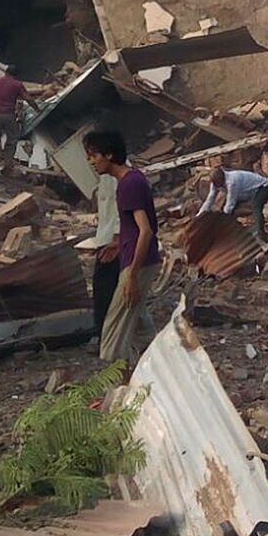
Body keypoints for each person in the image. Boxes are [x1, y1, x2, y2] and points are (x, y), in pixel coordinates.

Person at [87, 129, 159, 364]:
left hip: (138, 262)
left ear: (109, 155)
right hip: (135, 258)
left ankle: (118, 379)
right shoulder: (130, 180)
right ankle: (153, 367)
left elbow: (145, 231)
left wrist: (132, 276)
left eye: (94, 156)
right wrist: (120, 244)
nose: (91, 161)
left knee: (112, 336)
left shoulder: (129, 184)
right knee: (137, 327)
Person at [87, 168, 121, 343]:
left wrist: (116, 238)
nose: (91, 162)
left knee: (105, 290)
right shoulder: (106, 175)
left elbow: (120, 208)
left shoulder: (117, 175)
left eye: (94, 156)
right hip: (106, 237)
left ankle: (104, 336)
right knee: (113, 288)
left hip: (112, 241)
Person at [199, 165, 268, 237]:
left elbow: (230, 203)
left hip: (263, 187)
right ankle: (235, 229)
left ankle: (261, 233)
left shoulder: (232, 182)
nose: (218, 187)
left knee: (256, 207)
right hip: (246, 192)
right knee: (232, 210)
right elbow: (210, 199)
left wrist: (222, 219)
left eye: (219, 184)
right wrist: (200, 215)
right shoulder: (215, 182)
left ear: (222, 180)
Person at [0, 71, 30, 147]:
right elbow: (27, 98)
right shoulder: (18, 84)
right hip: (9, 116)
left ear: (5, 72)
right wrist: (37, 109)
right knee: (12, 140)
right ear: (16, 76)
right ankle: (7, 153)